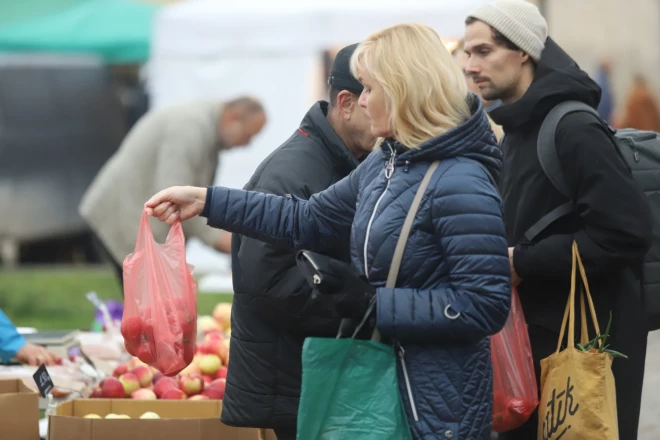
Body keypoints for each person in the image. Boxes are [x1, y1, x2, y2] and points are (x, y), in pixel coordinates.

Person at [145, 23, 511, 440]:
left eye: (371, 88)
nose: (363, 101)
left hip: (437, 408)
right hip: (383, 388)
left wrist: (375, 305)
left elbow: (484, 304)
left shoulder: (461, 179)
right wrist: (209, 201)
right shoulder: (387, 161)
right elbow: (306, 219)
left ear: (403, 89)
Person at [463, 1, 653, 439]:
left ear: (524, 51)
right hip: (536, 349)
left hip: (584, 348)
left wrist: (521, 261)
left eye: (483, 51)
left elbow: (626, 232)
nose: (470, 66)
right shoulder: (516, 129)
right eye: (468, 53)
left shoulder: (572, 128)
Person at [220, 44, 375, 440]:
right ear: (346, 102)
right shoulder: (293, 171)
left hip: (314, 371)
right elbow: (267, 281)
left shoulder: (345, 159)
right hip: (294, 379)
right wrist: (360, 309)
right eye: (375, 97)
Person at [79, 97, 266, 292]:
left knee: (152, 309)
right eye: (248, 135)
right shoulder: (191, 127)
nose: (247, 144)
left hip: (132, 218)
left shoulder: (205, 128)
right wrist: (219, 239)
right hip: (120, 218)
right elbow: (174, 196)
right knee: (150, 308)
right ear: (232, 117)